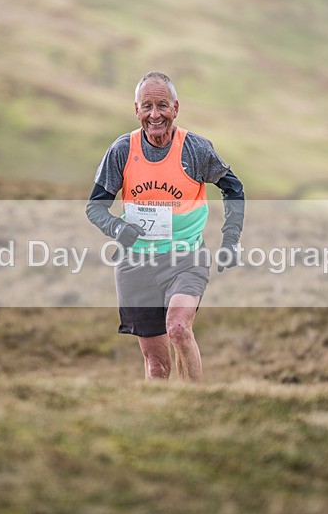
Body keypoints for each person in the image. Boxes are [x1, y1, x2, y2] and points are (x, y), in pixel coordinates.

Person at [85, 71, 245, 382]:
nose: (154, 114)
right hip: (136, 264)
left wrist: (231, 240)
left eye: (162, 105)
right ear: (136, 110)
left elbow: (234, 189)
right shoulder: (122, 150)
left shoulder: (195, 150)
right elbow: (95, 207)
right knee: (156, 367)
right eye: (147, 106)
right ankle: (161, 416)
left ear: (175, 108)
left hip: (185, 258)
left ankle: (194, 405)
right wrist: (117, 228)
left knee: (179, 328)